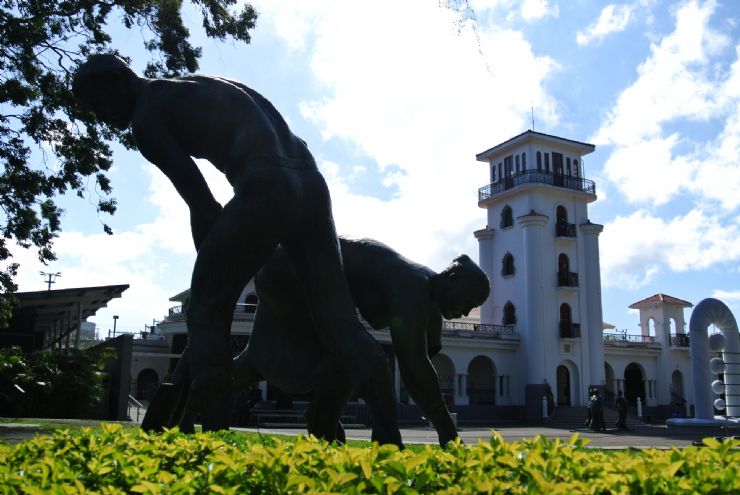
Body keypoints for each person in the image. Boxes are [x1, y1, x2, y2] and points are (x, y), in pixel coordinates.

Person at [73, 55, 396, 433]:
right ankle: (389, 435)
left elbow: (201, 201)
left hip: (265, 183)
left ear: (117, 82)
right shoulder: (197, 83)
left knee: (206, 308)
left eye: (96, 102)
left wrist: (210, 273)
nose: (98, 114)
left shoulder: (146, 118)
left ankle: (213, 432)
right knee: (339, 320)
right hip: (311, 184)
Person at [152, 238, 490, 447]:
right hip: (292, 276)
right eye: (467, 299)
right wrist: (446, 427)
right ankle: (378, 441)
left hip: (289, 272)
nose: (465, 309)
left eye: (471, 306)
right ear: (452, 278)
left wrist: (431, 339)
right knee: (363, 360)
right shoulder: (414, 289)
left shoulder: (424, 289)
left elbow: (427, 347)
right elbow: (414, 366)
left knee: (281, 359)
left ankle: (194, 400)